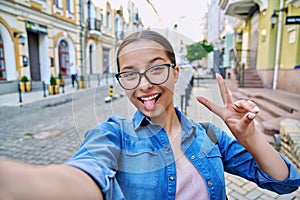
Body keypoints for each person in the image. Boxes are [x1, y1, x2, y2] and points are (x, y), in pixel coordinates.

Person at [0, 30, 299, 200]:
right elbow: (84, 176)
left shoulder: (209, 136)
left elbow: (285, 181)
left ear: (175, 73)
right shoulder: (114, 135)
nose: (144, 85)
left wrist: (250, 137)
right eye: (129, 74)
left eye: (156, 68)